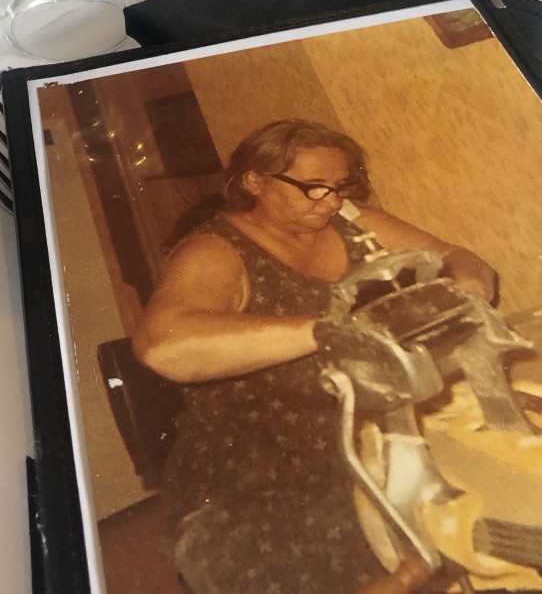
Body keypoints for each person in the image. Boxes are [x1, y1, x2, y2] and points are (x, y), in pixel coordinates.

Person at [133, 119, 497, 594]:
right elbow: (162, 345)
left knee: (485, 513)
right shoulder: (213, 249)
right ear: (254, 180)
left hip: (367, 429)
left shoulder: (349, 219)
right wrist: (330, 332)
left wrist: (464, 289)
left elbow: (457, 257)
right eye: (314, 187)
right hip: (257, 456)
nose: (330, 201)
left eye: (340, 186)